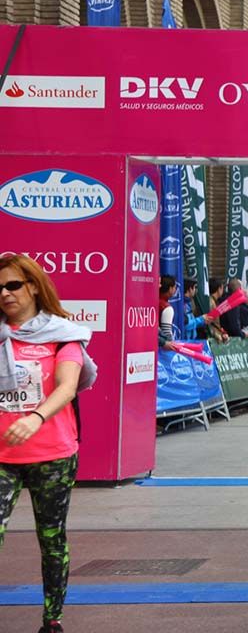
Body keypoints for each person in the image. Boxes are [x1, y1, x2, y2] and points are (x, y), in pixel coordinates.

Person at [0, 254, 98, 633]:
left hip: (52, 454)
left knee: (52, 536)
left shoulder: (61, 335)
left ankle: (52, 618)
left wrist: (35, 418)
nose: (5, 294)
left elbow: (68, 386)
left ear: (33, 287)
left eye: (12, 285)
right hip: (3, 456)